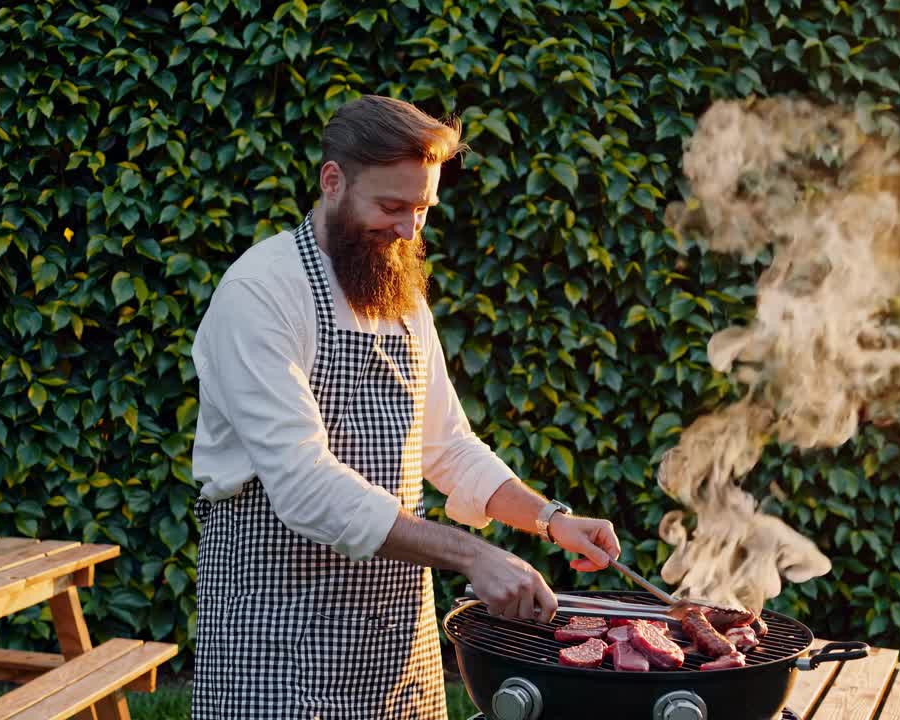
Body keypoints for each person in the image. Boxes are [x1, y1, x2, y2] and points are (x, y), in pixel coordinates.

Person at [189, 94, 621, 719]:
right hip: (277, 643)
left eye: (423, 209)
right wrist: (472, 554)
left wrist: (550, 519)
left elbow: (446, 445)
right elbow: (303, 484)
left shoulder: (398, 292)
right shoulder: (261, 292)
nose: (409, 231)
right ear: (332, 181)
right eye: (391, 207)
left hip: (394, 651)